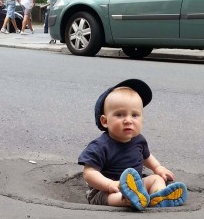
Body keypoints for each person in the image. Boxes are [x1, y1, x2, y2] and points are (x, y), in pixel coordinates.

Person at [78, 79, 188, 210]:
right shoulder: (100, 146)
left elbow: (146, 156)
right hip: (105, 191)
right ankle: (129, 199)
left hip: (136, 186)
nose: (128, 120)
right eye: (119, 115)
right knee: (113, 197)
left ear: (142, 119)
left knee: (156, 179)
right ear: (105, 121)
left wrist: (158, 168)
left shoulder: (139, 140)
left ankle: (158, 197)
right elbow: (89, 173)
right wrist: (109, 184)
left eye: (135, 115)